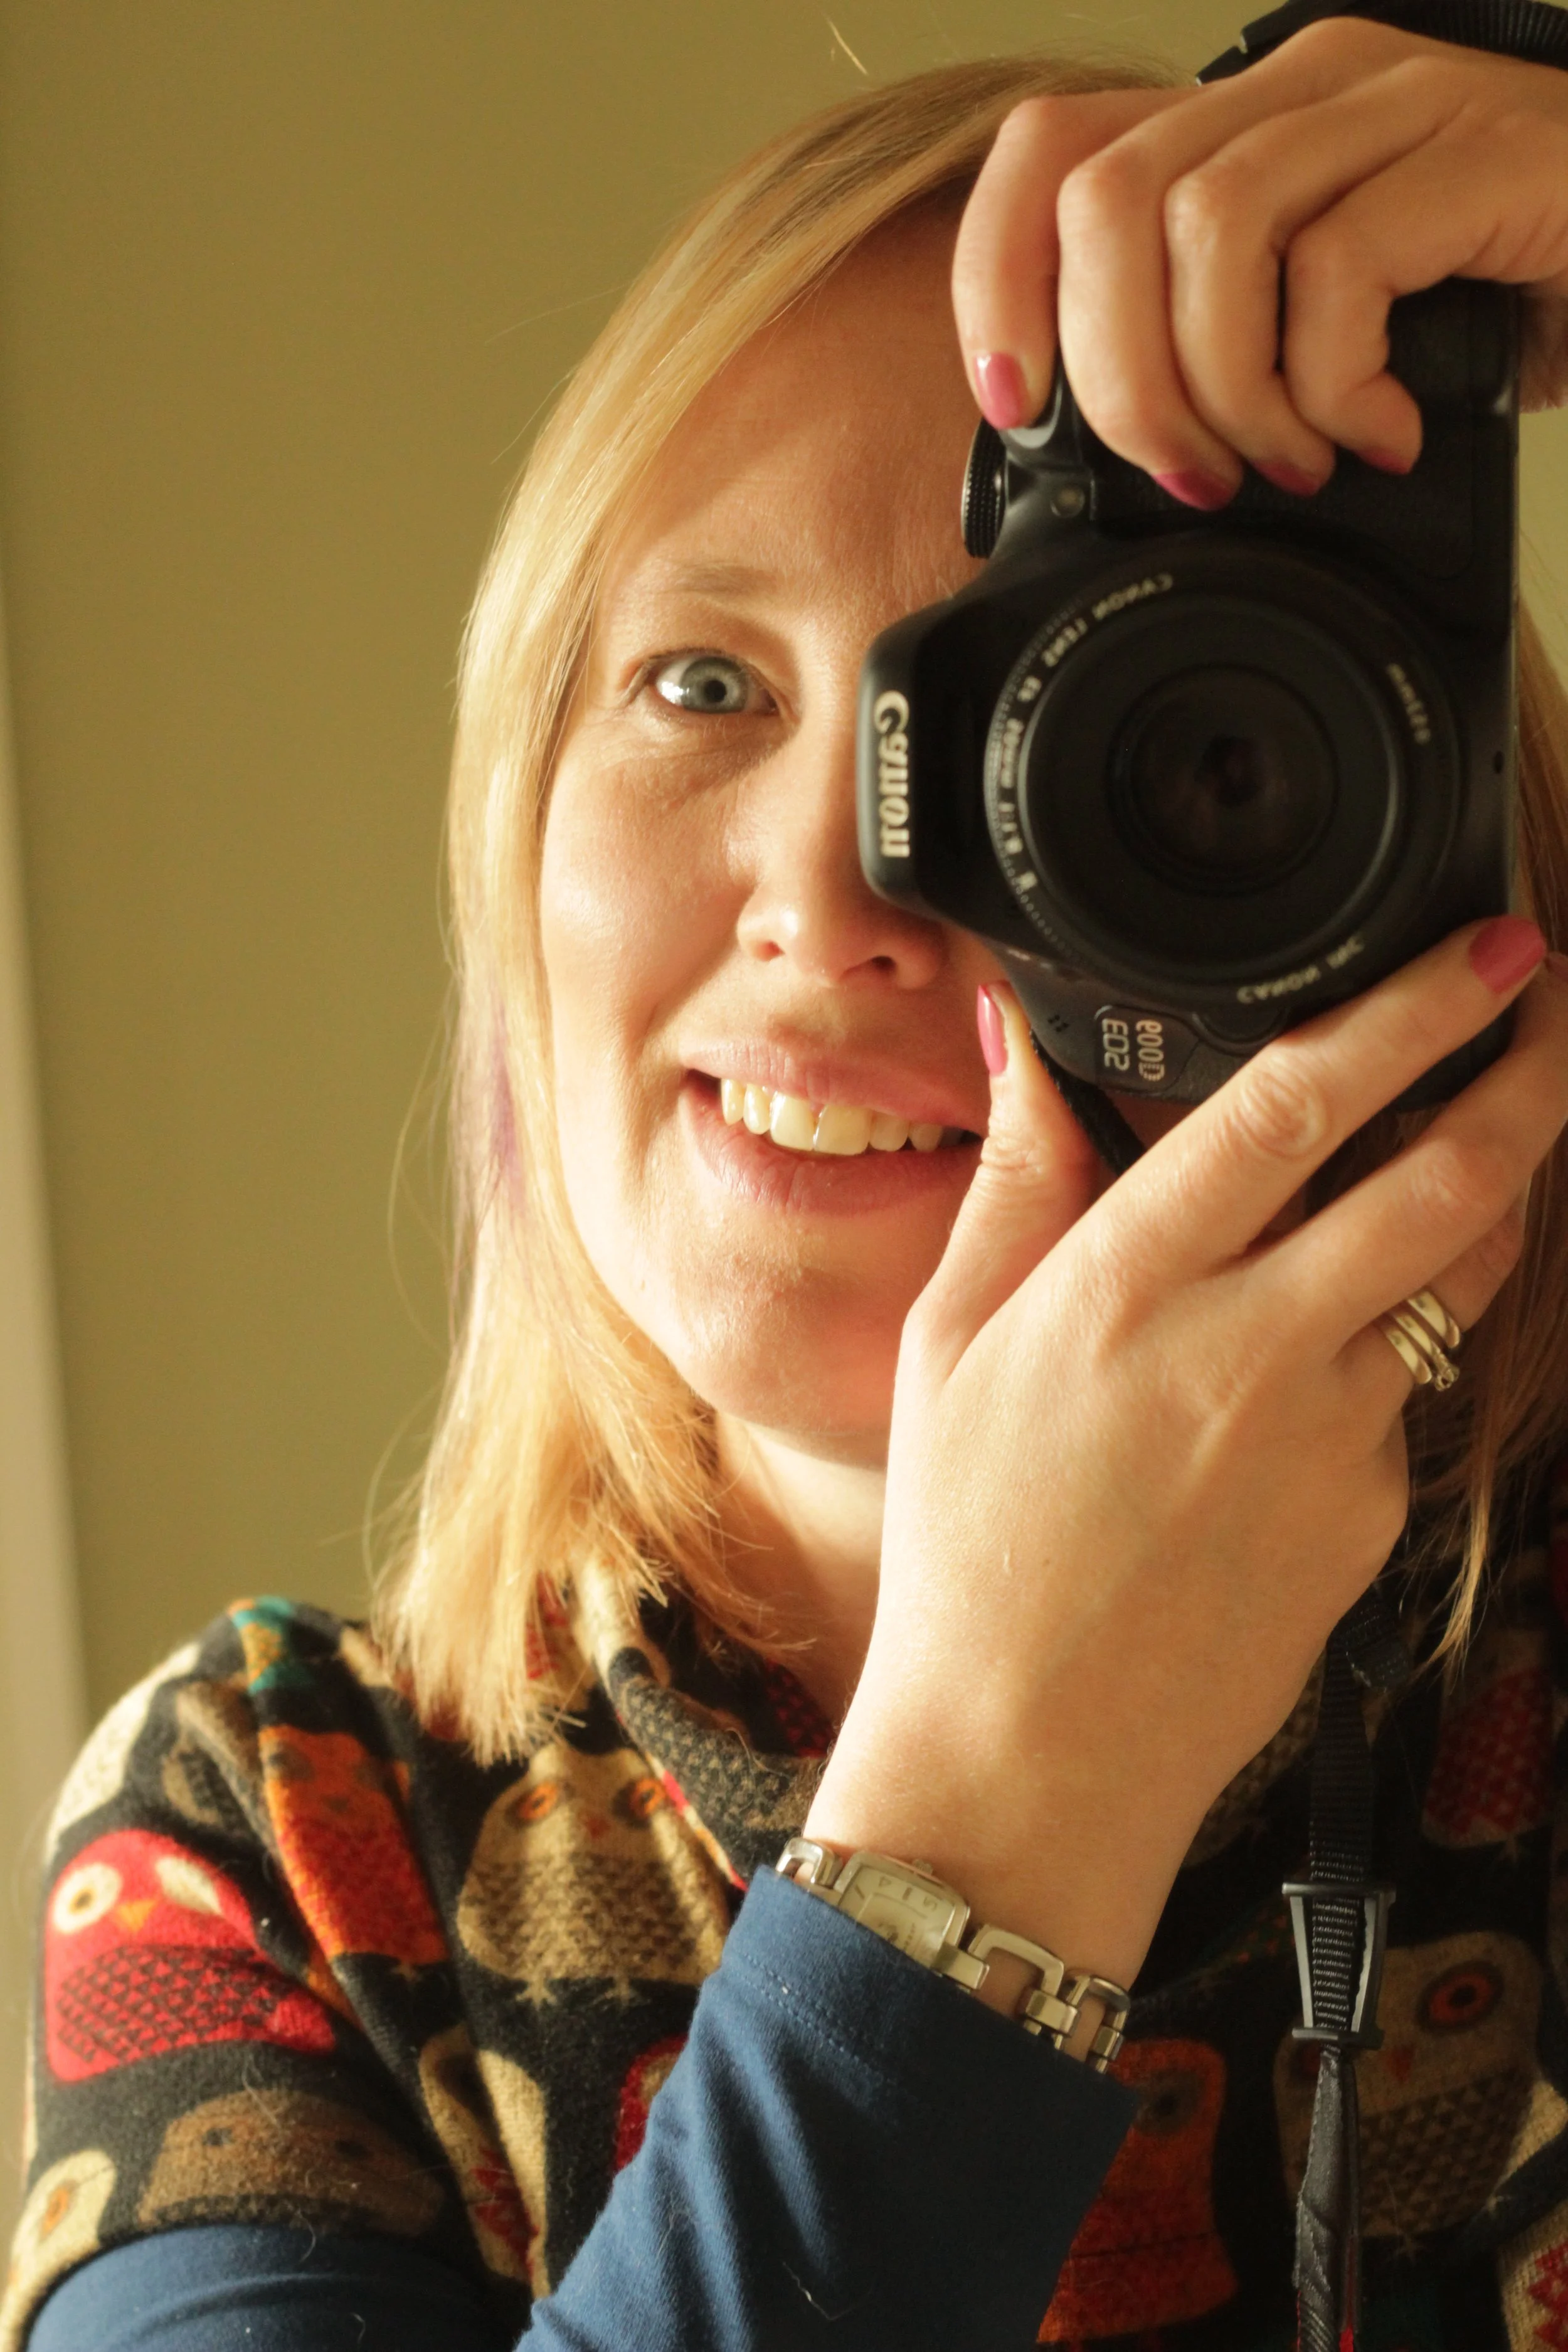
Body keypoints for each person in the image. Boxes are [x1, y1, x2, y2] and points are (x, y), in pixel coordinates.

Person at [8, 9, 1568, 2349]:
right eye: (702, 685)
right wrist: (1006, 1802)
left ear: (1412, 843)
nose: (830, 902)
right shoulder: (277, 1842)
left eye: (1088, 733)